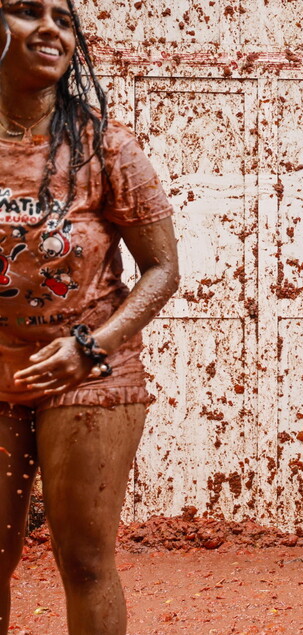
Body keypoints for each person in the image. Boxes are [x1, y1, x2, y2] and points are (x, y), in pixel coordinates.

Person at [0, 1, 181, 632]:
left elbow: (162, 270)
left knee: (82, 560)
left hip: (89, 372)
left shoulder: (105, 145)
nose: (50, 28)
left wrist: (93, 345)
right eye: (25, 12)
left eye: (63, 17)